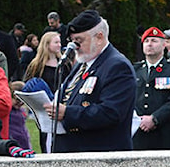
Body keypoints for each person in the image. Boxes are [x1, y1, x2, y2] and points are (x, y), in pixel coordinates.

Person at [43, 10, 136, 152]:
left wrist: (68, 113)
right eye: (72, 42)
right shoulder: (83, 63)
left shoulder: (117, 66)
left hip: (100, 155)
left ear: (99, 37)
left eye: (79, 41)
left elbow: (111, 113)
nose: (74, 47)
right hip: (72, 151)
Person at [133, 27, 170, 150]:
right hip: (139, 130)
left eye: (154, 41)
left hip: (166, 132)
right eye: (146, 41)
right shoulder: (135, 70)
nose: (149, 44)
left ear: (164, 45)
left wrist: (155, 118)